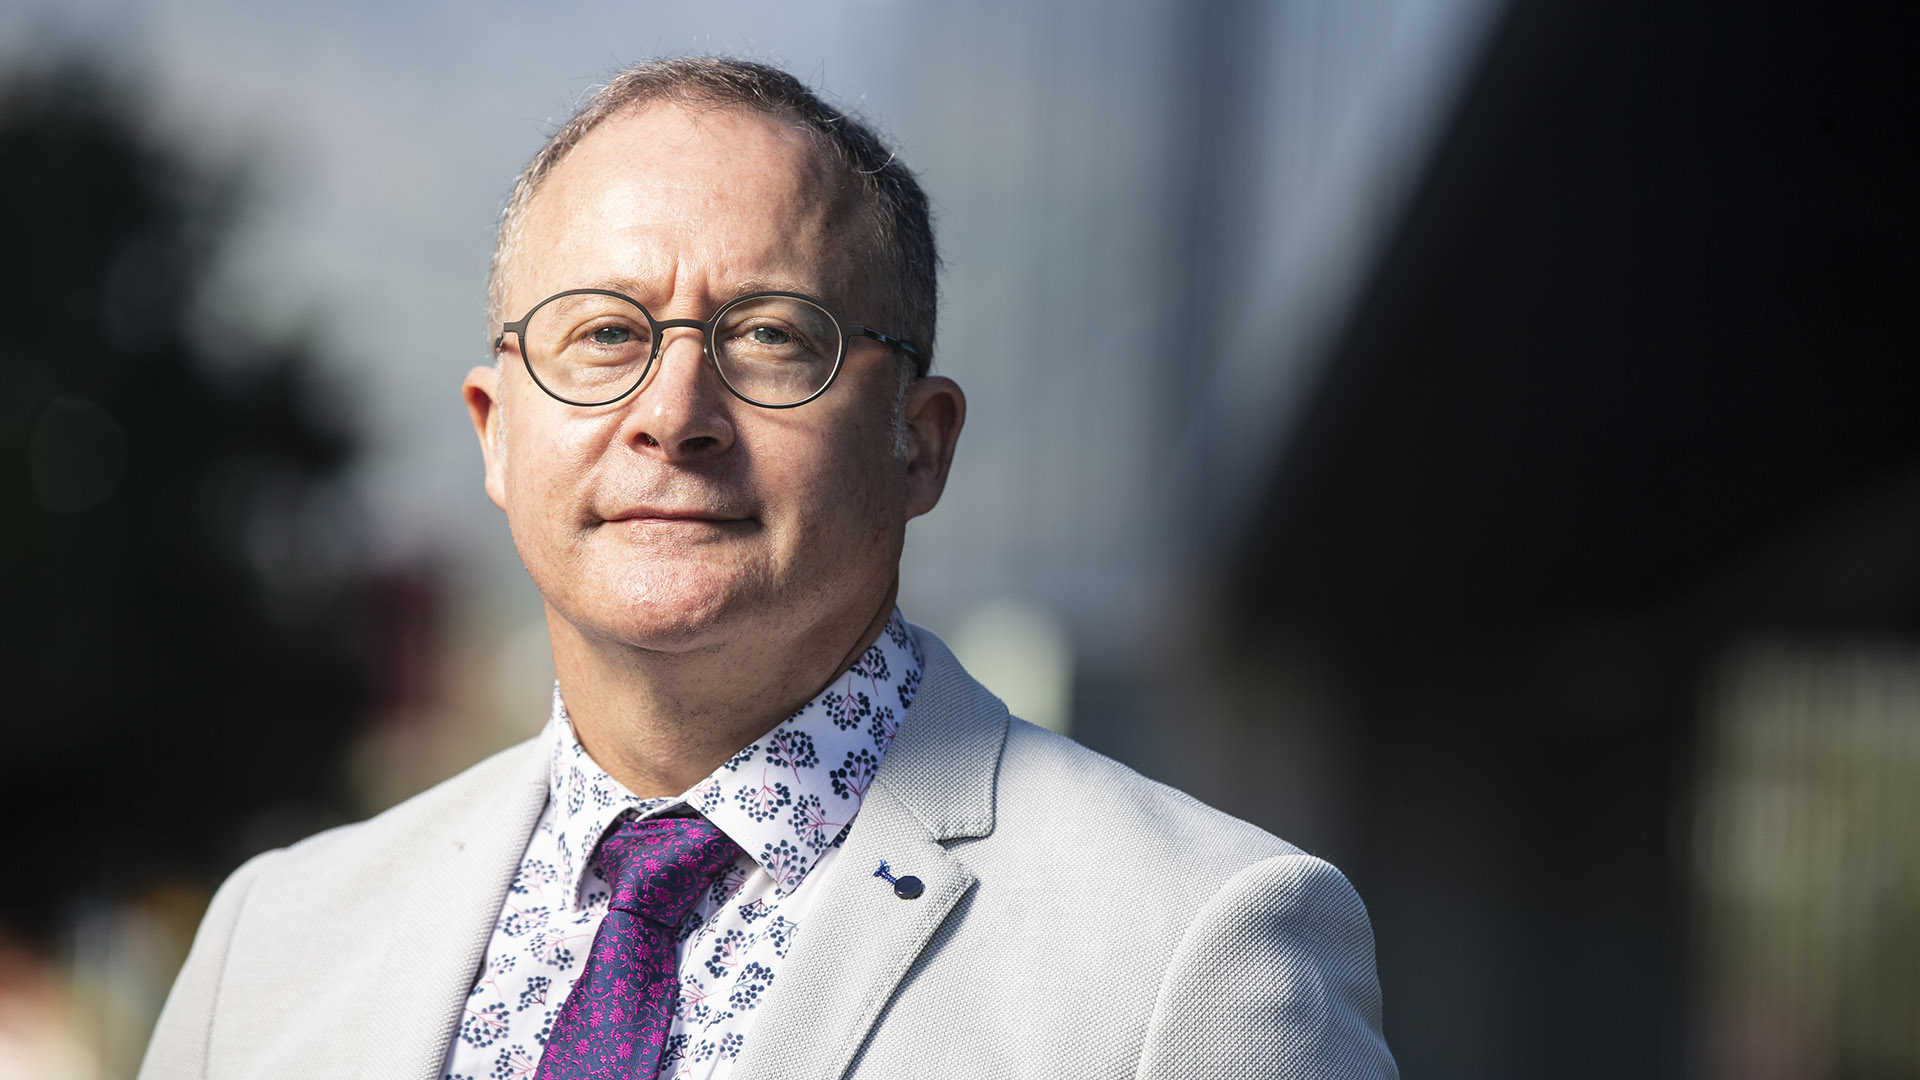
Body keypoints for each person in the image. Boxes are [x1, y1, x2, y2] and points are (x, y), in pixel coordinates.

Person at [138, 57, 1397, 1080]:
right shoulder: (274, 942)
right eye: (604, 334)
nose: (673, 414)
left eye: (770, 337)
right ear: (496, 431)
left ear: (920, 441)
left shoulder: (1197, 947)